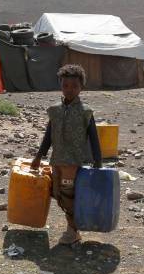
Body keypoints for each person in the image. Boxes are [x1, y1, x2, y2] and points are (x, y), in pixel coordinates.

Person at [31, 64, 102, 245]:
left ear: (81, 88)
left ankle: (73, 231)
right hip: (57, 160)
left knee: (68, 194)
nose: (69, 90)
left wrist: (98, 160)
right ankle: (73, 227)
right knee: (58, 194)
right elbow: (48, 135)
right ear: (60, 86)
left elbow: (94, 137)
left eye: (74, 86)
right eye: (65, 86)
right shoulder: (54, 110)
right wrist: (39, 157)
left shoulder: (85, 112)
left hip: (73, 162)